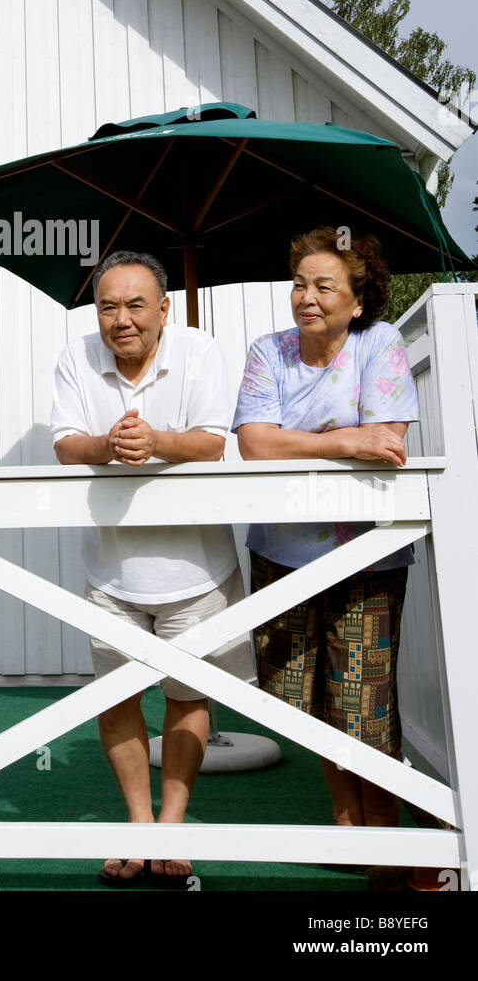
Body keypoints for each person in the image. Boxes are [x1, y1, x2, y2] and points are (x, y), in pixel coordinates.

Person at [51, 250, 255, 888]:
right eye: (107, 305)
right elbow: (64, 443)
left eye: (136, 304)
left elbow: (214, 441)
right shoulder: (74, 357)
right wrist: (108, 444)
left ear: (164, 309)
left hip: (198, 567)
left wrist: (158, 442)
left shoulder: (199, 352)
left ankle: (171, 825)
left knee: (188, 697)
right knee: (118, 701)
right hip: (111, 570)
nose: (121, 319)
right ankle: (139, 827)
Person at [232, 226, 426, 886]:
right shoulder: (269, 351)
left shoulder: (381, 343)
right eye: (298, 284)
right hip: (278, 554)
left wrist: (302, 435)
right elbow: (255, 444)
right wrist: (344, 439)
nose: (304, 298)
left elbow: (389, 439)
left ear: (357, 297)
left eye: (322, 286)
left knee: (363, 706)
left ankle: (387, 845)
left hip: (366, 558)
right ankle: (346, 824)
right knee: (293, 697)